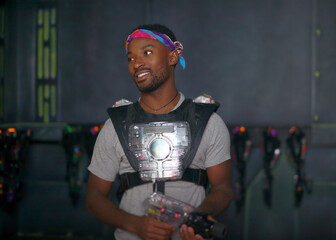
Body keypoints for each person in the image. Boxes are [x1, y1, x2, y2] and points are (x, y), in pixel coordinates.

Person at [86, 24, 234, 240]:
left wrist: (197, 217)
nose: (136, 63)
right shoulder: (116, 125)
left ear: (173, 56)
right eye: (130, 58)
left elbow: (223, 188)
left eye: (147, 53)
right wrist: (135, 224)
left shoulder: (208, 121)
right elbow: (94, 196)